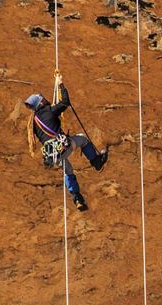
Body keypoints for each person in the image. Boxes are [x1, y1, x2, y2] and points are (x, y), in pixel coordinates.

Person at [25, 77, 108, 212]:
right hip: (63, 147)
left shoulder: (34, 122)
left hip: (52, 156)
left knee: (68, 170)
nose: (46, 100)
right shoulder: (49, 111)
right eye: (43, 100)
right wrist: (60, 84)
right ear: (40, 103)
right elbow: (65, 102)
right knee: (82, 139)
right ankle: (97, 162)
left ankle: (77, 198)